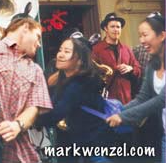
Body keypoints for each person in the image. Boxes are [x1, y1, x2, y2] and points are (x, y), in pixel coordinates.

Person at [36, 32, 114, 163]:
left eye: (67, 51)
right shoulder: (66, 78)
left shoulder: (79, 84)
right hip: (80, 142)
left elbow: (57, 112)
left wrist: (29, 122)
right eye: (60, 50)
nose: (60, 54)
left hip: (93, 146)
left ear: (80, 59)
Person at [0, 11, 52, 163]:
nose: (39, 44)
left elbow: (34, 107)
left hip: (18, 149)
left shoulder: (36, 70)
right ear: (26, 27)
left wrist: (17, 125)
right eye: (38, 36)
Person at [107, 12, 165, 162]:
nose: (141, 40)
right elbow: (142, 97)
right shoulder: (153, 65)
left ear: (162, 35)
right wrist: (116, 112)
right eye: (140, 36)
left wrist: (122, 116)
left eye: (145, 35)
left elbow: (162, 100)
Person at [92, 12, 141, 104]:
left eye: (118, 27)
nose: (116, 30)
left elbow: (138, 70)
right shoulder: (96, 50)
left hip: (127, 100)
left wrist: (130, 68)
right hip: (106, 101)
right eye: (112, 26)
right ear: (106, 29)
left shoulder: (127, 49)